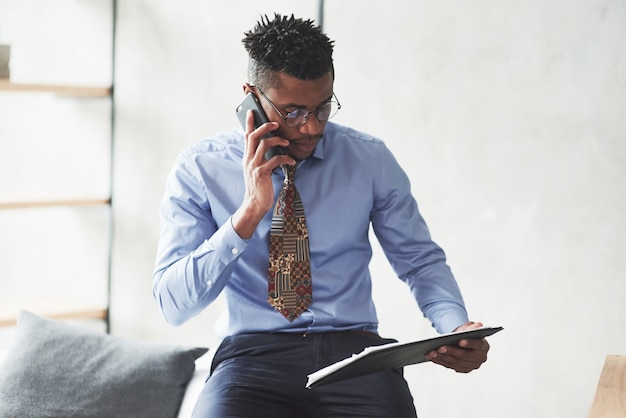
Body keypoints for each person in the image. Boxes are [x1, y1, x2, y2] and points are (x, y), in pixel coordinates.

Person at [153, 13, 490, 418]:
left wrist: (455, 328)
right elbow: (173, 306)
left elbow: (419, 261)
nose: (311, 127)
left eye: (323, 107)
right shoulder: (199, 169)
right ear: (251, 96)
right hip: (251, 358)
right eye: (293, 111)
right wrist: (249, 212)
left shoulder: (369, 160)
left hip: (356, 355)